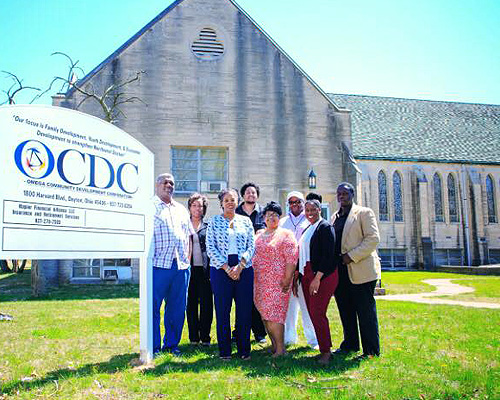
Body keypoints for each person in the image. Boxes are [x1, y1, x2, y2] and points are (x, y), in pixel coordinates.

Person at [331, 182, 381, 359]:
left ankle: (371, 351)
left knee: (365, 311)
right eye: (339, 194)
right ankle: (350, 344)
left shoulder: (364, 213)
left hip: (361, 269)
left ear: (352, 194)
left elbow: (373, 239)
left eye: (345, 193)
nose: (341, 196)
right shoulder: (335, 217)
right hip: (340, 272)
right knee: (346, 310)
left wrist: (350, 256)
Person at [207, 188, 255, 360]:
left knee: (244, 311)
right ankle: (225, 351)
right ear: (221, 203)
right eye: (226, 200)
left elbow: (252, 245)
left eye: (233, 199)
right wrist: (227, 268)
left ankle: (244, 350)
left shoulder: (246, 221)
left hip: (244, 270)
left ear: (237, 201)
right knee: (222, 311)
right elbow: (210, 248)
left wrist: (240, 266)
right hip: (220, 271)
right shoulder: (213, 221)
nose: (230, 202)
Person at [152, 173, 193, 356]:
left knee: (177, 308)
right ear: (157, 185)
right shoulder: (149, 207)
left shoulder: (181, 209)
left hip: (181, 266)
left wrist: (188, 260)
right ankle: (153, 346)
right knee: (152, 307)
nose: (168, 185)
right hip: (157, 265)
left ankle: (171, 345)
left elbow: (189, 236)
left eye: (172, 183)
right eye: (165, 182)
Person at [253, 201, 298, 357]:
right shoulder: (258, 234)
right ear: (264, 217)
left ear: (280, 217)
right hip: (260, 282)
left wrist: (287, 278)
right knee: (265, 314)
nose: (272, 217)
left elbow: (292, 258)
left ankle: (280, 349)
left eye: (275, 215)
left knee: (275, 315)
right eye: (268, 214)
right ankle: (274, 345)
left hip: (278, 283)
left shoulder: (286, 234)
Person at [296, 199, 338, 365]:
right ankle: (323, 347)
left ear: (320, 209)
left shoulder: (325, 227)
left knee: (317, 313)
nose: (310, 213)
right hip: (306, 275)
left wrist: (317, 278)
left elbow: (329, 255)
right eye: (307, 210)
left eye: (313, 209)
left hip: (322, 275)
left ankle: (326, 352)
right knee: (312, 313)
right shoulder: (308, 227)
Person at [280, 191, 318, 349]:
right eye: (291, 202)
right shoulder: (283, 221)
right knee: (289, 307)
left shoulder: (309, 220)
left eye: (298, 202)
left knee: (306, 305)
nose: (295, 205)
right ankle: (289, 337)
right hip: (286, 270)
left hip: (304, 269)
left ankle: (313, 339)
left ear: (303, 203)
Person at [235, 182, 267, 343]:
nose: (251, 195)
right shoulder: (236, 212)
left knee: (257, 297)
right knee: (240, 297)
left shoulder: (263, 213)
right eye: (248, 192)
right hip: (240, 262)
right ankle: (239, 331)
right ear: (243, 195)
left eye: (254, 193)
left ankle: (259, 332)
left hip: (260, 261)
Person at [186, 193, 213, 346]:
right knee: (191, 304)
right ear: (190, 207)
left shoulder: (208, 227)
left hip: (205, 271)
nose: (197, 208)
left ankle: (205, 337)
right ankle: (193, 338)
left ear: (204, 209)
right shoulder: (184, 225)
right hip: (189, 270)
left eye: (200, 206)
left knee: (206, 305)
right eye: (194, 205)